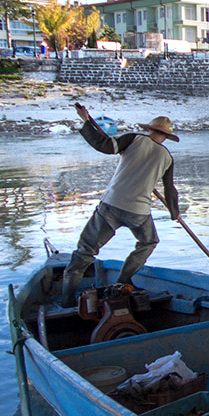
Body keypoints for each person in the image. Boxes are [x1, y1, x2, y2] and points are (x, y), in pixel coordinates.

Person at [62, 103, 181, 301]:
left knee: (86, 250)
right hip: (138, 213)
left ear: (149, 130)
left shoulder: (134, 139)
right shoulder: (167, 157)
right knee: (149, 241)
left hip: (111, 205)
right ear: (165, 137)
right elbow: (170, 190)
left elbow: (105, 145)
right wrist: (174, 212)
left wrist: (86, 121)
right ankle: (124, 278)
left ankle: (66, 299)